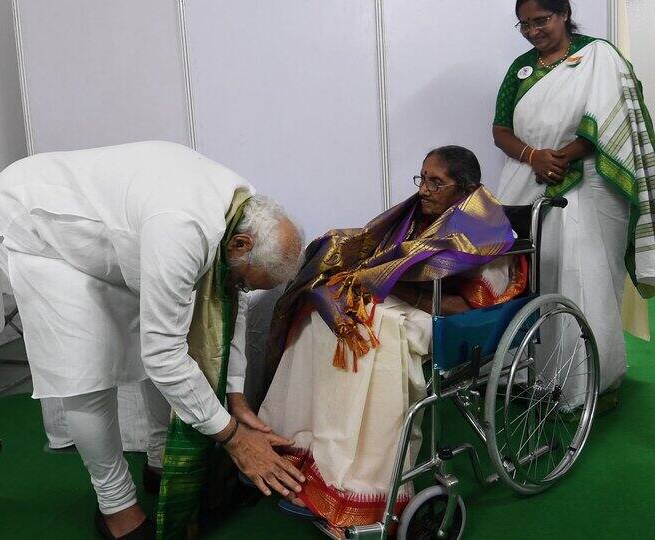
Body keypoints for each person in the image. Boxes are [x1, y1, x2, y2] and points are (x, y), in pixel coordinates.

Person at [0, 141, 306, 539]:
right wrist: (234, 439)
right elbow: (165, 356)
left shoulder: (245, 211)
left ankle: (159, 461)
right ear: (241, 246)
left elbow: (229, 302)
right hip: (41, 229)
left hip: (111, 232)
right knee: (86, 372)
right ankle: (116, 507)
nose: (238, 287)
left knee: (154, 340)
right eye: (242, 279)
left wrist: (235, 396)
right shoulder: (182, 229)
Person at [258, 146, 526, 530]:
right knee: (323, 316)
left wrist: (399, 289)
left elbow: (465, 309)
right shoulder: (416, 220)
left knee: (369, 336)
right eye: (422, 178)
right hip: (403, 305)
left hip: (442, 319)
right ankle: (299, 448)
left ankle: (355, 482)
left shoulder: (488, 235)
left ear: (467, 190)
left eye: (437, 182)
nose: (425, 190)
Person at [493, 0, 655, 403]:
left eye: (541, 20)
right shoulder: (520, 68)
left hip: (591, 184)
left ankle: (592, 382)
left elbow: (614, 120)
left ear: (564, 13)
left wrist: (562, 156)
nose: (533, 31)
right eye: (524, 25)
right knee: (533, 274)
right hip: (528, 179)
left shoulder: (599, 56)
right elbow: (500, 128)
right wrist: (534, 156)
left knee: (589, 278)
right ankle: (531, 377)